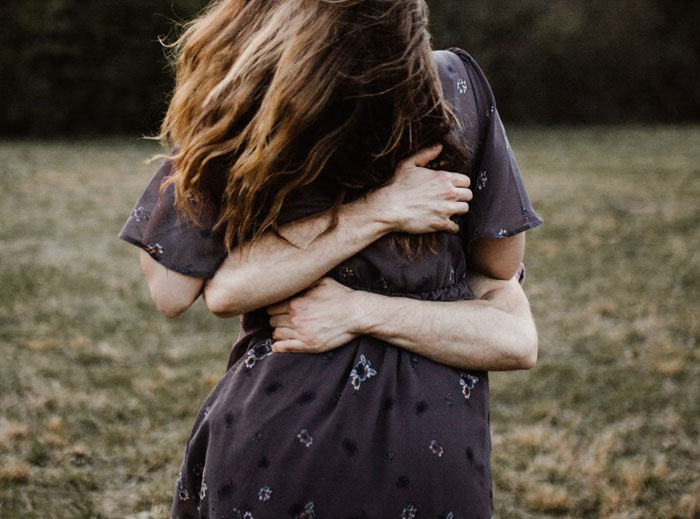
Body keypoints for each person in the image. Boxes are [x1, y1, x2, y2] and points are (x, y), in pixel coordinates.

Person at [118, 1, 543, 517]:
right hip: (432, 448)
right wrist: (382, 211)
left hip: (275, 439)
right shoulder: (454, 85)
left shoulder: (259, 98)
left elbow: (171, 290)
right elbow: (500, 265)